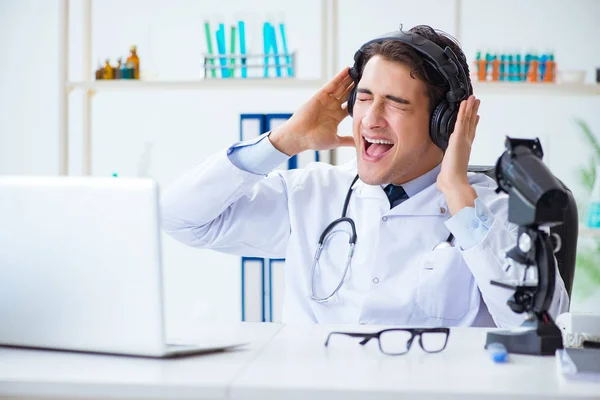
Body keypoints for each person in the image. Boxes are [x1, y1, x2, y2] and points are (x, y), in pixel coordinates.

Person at [161, 25, 569, 327]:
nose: (370, 120)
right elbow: (179, 218)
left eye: (395, 104)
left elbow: (545, 327)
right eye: (364, 99)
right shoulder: (312, 193)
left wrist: (460, 198)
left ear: (443, 123)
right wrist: (282, 141)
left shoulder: (491, 211)